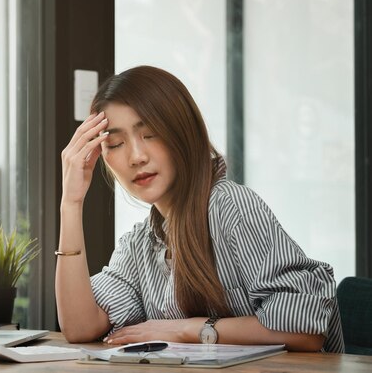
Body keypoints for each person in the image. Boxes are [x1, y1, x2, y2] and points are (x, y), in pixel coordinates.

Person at [55, 65, 344, 352]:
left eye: (150, 133)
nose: (136, 156)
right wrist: (71, 203)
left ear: (182, 131)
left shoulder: (230, 206)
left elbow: (303, 329)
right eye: (116, 144)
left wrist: (187, 330)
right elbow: (80, 327)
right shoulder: (139, 244)